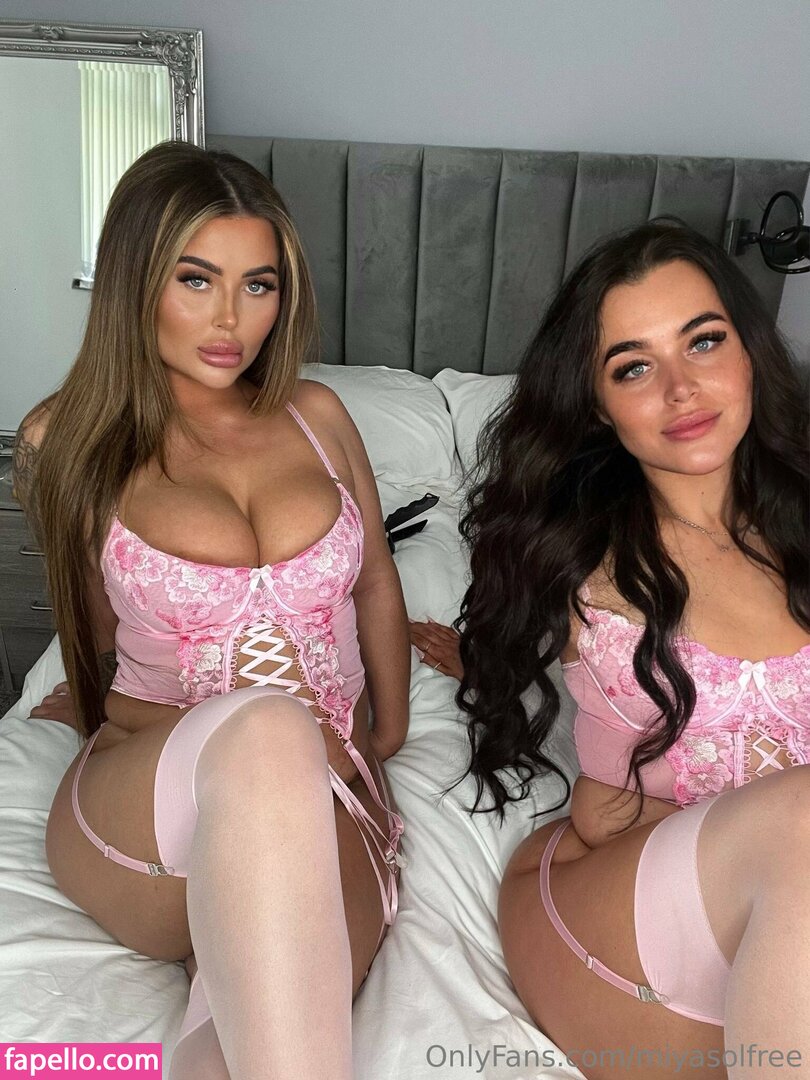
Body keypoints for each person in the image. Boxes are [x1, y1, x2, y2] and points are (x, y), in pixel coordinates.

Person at [12, 141, 408, 1080]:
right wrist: (75, 704)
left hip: (327, 792)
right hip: (148, 804)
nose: (233, 319)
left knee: (258, 1041)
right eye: (197, 279)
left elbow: (376, 582)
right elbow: (89, 628)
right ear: (135, 279)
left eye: (258, 285)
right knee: (266, 726)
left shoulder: (318, 414)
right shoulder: (61, 438)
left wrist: (386, 734)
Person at [410, 221, 809, 1078]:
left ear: (749, 349)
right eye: (633, 367)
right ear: (597, 404)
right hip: (621, 909)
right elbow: (519, 652)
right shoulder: (582, 557)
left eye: (704, 341)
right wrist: (479, 662)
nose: (681, 388)